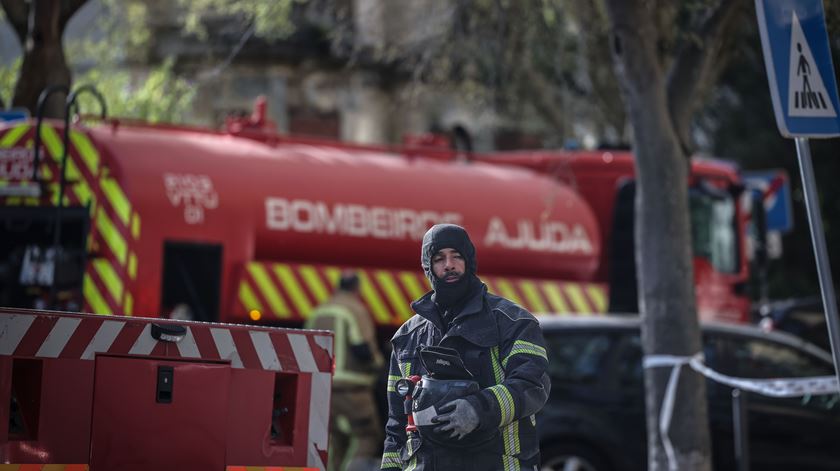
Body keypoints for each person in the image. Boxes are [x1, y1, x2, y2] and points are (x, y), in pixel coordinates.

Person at [380, 224, 551, 470]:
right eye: (439, 258)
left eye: (456, 256)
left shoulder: (513, 322)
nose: (448, 264)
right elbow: (396, 423)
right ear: (428, 268)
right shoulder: (408, 336)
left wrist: (479, 409)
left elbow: (533, 384)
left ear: (469, 261)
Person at [306, 271, 385, 471]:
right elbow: (363, 349)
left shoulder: (318, 311)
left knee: (333, 440)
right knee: (367, 436)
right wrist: (380, 365)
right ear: (357, 288)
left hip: (322, 390)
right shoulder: (355, 310)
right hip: (353, 391)